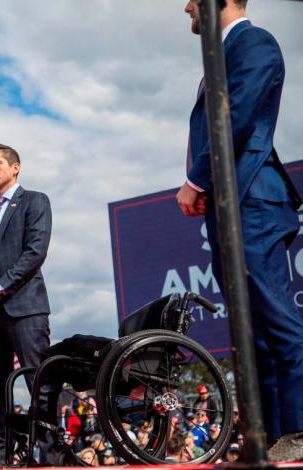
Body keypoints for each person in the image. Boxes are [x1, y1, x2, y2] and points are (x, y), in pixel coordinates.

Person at [178, 0, 303, 461]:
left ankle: (300, 428)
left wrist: (196, 180)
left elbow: (235, 118)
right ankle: (270, 437)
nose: (186, 6)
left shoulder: (254, 43)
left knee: (277, 320)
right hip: (234, 207)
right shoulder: (225, 53)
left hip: (254, 203)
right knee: (254, 332)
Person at [0, 144, 52, 443]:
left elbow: (35, 252)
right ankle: (2, 453)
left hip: (24, 307)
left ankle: (50, 453)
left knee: (38, 383)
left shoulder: (35, 202)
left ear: (15, 167)